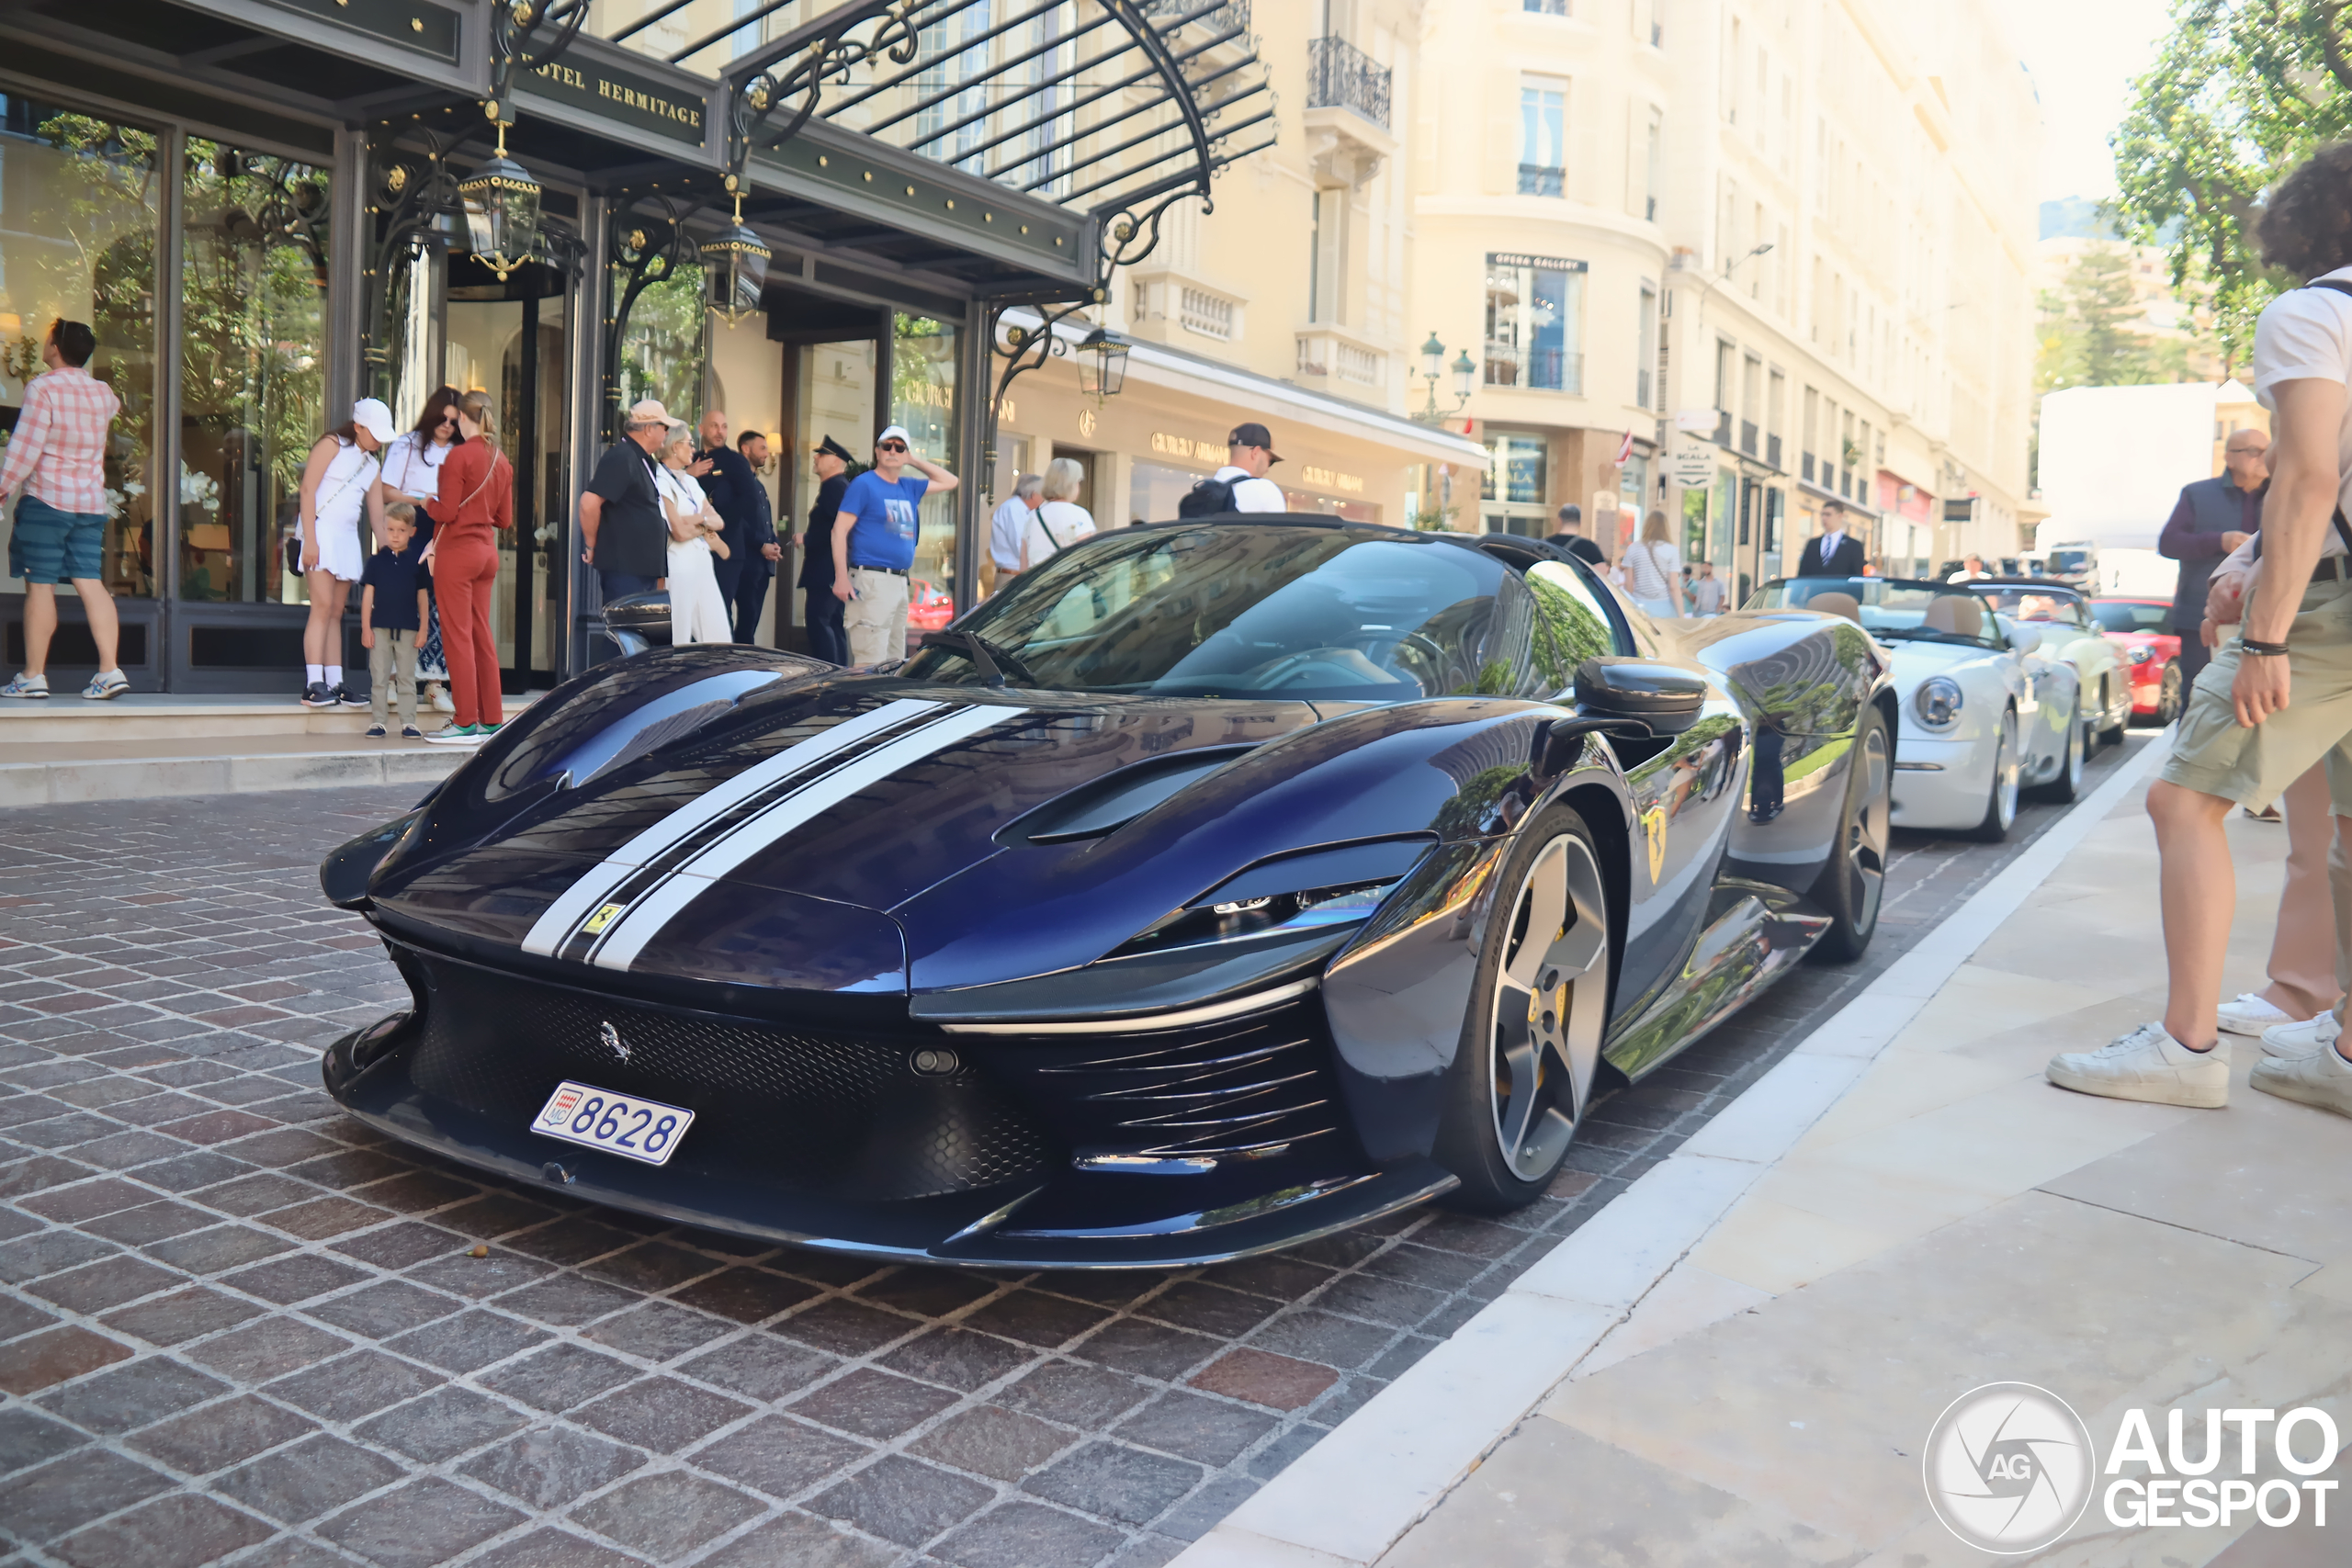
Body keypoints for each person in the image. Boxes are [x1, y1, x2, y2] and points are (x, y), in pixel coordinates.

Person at [2045, 141, 2352, 1120]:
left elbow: (2309, 479)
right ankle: (2342, 1054)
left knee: (2183, 804)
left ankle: (2184, 1049)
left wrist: (2264, 636)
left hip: (2330, 612)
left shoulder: (2313, 315)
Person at [0, 319, 130, 700]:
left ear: (55, 348)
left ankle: (32, 676)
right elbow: (113, 410)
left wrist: (3, 488)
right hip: (89, 504)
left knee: (40, 585)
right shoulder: (104, 393)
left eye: (47, 337)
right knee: (90, 582)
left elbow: (25, 449)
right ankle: (110, 670)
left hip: (46, 501)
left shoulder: (42, 388)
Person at [293, 396, 396, 708]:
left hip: (347, 538)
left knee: (336, 611)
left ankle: (335, 682)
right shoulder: (332, 444)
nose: (378, 439)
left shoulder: (372, 464)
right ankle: (313, 684)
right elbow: (307, 489)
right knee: (321, 607)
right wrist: (310, 540)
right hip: (321, 531)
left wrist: (389, 555)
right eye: (373, 432)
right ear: (358, 427)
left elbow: (377, 518)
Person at [422, 391, 512, 744]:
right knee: (481, 636)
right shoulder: (501, 459)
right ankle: (491, 720)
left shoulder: (459, 456)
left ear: (462, 417)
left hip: (457, 553)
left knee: (456, 637)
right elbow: (504, 518)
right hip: (486, 552)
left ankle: (463, 722)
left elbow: (445, 512)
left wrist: (426, 501)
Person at [832, 424, 958, 666]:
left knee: (894, 661)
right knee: (870, 661)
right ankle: (867, 704)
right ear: (877, 452)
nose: (893, 451)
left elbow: (950, 481)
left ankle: (884, 704)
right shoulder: (864, 484)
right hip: (871, 579)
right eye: (887, 446)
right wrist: (841, 577)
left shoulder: (908, 486)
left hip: (899, 582)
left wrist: (913, 460)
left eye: (899, 447)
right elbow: (839, 531)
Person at [2161, 426, 2269, 691]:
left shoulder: (2281, 494)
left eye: (2268, 450)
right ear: (2229, 457)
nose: (2264, 457)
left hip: (2266, 613)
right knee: (2201, 693)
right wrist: (2218, 541)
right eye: (2255, 451)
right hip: (2201, 616)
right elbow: (2168, 543)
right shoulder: (2197, 494)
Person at [379, 387, 462, 715]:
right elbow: (386, 489)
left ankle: (435, 684)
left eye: (454, 422)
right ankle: (394, 679)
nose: (447, 426)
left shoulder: (460, 451)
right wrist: (423, 498)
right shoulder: (407, 445)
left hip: (445, 530)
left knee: (440, 604)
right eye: (443, 418)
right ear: (432, 414)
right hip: (410, 523)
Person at [581, 400, 673, 605]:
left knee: (638, 634)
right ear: (649, 429)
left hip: (643, 568)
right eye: (664, 428)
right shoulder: (622, 456)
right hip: (626, 569)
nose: (667, 433)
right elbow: (588, 503)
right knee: (623, 633)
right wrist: (591, 545)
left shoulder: (643, 459)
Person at [655, 423, 733, 645]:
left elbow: (718, 521)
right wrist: (703, 521)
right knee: (678, 635)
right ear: (674, 447)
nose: (693, 449)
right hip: (679, 564)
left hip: (702, 561)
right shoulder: (660, 481)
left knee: (719, 635)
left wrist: (698, 521)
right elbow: (677, 531)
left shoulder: (690, 481)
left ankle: (717, 679)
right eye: (689, 444)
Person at [358, 503, 431, 739]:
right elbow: (368, 595)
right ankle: (378, 721)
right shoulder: (376, 562)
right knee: (379, 677)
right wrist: (366, 628)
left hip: (409, 628)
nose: (395, 535)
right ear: (384, 530)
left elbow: (422, 598)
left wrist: (423, 628)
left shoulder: (417, 564)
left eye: (401, 530)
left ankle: (408, 722)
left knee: (406, 677)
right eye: (391, 530)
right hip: (379, 627)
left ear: (412, 531)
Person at [695, 411, 765, 641]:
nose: (720, 431)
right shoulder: (693, 460)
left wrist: (719, 523)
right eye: (714, 426)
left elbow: (749, 500)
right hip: (695, 546)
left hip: (727, 548)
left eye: (724, 426)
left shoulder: (735, 461)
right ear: (701, 429)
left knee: (719, 611)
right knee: (696, 612)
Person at [731, 429, 781, 643]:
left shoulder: (759, 485)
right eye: (762, 448)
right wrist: (760, 544)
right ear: (745, 448)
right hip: (745, 562)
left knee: (752, 621)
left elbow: (765, 520)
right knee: (746, 621)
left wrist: (774, 542)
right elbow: (738, 521)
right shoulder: (735, 482)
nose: (765, 453)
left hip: (763, 564)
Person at [1022, 457, 1098, 570]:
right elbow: (1086, 555)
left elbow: (1023, 559)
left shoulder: (1033, 516)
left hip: (1037, 582)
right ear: (1072, 484)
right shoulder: (1080, 515)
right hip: (1067, 582)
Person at [1620, 509, 1687, 616]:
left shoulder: (1633, 548)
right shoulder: (1672, 550)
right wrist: (1681, 616)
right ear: (1665, 528)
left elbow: (1629, 587)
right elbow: (1673, 587)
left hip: (1640, 608)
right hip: (1664, 608)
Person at [1211, 423, 1288, 512]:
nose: (1267, 469)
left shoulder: (1206, 489)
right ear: (1255, 452)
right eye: (1270, 461)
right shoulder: (1266, 490)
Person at [988, 474, 1043, 594]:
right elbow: (1020, 545)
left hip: (1019, 574)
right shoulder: (1013, 509)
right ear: (1033, 494)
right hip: (1012, 576)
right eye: (1042, 495)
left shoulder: (1021, 509)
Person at [1796, 502, 1866, 577]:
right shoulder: (1812, 544)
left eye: (1828, 515)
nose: (1824, 518)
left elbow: (1856, 577)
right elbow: (1802, 574)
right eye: (1822, 515)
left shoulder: (1853, 546)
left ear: (1840, 516)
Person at [1544, 502, 1607, 567]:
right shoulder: (1590, 547)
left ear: (1560, 520)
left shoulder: (1544, 544)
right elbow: (1601, 572)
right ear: (1580, 522)